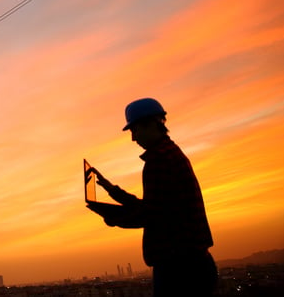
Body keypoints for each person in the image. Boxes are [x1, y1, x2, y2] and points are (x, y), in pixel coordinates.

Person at [87, 97, 216, 296]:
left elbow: (150, 215)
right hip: (191, 263)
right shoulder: (170, 154)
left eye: (134, 130)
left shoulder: (159, 160)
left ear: (149, 125)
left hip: (180, 268)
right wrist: (111, 189)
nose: (133, 138)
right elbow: (154, 207)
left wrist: (113, 217)